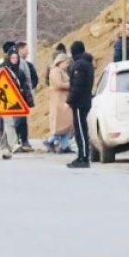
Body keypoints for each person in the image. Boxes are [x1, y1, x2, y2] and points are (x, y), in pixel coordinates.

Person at [0, 44, 33, 155]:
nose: (14, 60)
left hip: (17, 101)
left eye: (16, 58)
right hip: (4, 101)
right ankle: (13, 144)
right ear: (8, 58)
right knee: (9, 122)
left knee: (14, 122)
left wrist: (28, 98)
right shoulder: (2, 70)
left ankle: (6, 145)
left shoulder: (20, 72)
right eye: (12, 58)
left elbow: (25, 85)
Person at [66, 40, 95, 169]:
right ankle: (81, 156)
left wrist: (69, 100)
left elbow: (77, 86)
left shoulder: (79, 65)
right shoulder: (87, 63)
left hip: (79, 102)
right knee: (81, 129)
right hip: (85, 101)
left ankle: (83, 157)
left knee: (81, 131)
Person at [44, 44, 73, 153]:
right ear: (60, 62)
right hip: (58, 100)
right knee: (59, 125)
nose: (67, 65)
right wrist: (71, 84)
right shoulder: (55, 71)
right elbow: (58, 84)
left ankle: (64, 146)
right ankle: (50, 141)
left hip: (64, 99)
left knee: (66, 125)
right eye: (66, 63)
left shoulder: (62, 72)